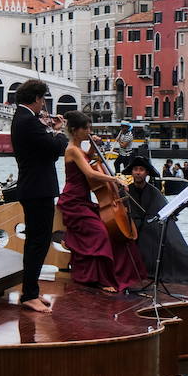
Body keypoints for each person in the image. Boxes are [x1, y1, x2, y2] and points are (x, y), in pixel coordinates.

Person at [59, 111, 145, 294]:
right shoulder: (72, 150)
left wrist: (92, 146)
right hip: (73, 202)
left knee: (111, 232)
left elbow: (88, 160)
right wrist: (115, 179)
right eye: (86, 128)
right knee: (100, 234)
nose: (89, 131)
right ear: (75, 130)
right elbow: (89, 173)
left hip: (83, 200)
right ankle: (101, 279)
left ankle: (115, 274)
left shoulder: (80, 150)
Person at [11, 79, 68, 313]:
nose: (44, 103)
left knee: (38, 240)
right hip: (37, 188)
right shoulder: (27, 121)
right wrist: (59, 132)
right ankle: (29, 295)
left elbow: (47, 153)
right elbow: (57, 149)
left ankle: (31, 291)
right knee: (38, 241)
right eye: (42, 99)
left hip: (34, 186)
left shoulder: (25, 120)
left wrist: (49, 131)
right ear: (36, 99)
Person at [125, 157, 188, 284]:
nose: (138, 172)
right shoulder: (125, 191)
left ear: (146, 173)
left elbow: (162, 213)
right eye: (135, 169)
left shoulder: (154, 192)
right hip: (130, 229)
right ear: (131, 172)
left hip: (148, 229)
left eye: (141, 169)